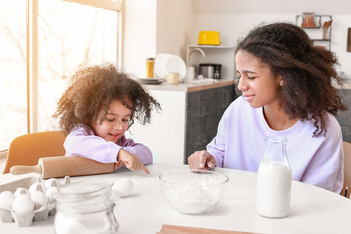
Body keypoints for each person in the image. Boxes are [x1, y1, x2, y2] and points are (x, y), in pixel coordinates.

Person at [188, 22, 347, 193]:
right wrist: (207, 159)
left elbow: (319, 197)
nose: (241, 85)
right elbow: (219, 152)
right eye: (239, 75)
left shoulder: (323, 129)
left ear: (283, 76)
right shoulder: (238, 109)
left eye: (251, 76)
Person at [53, 64, 161, 175]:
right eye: (110, 119)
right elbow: (75, 144)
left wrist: (125, 155)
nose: (119, 127)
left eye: (124, 119)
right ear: (87, 115)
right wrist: (118, 153)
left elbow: (146, 154)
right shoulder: (80, 135)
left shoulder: (119, 140)